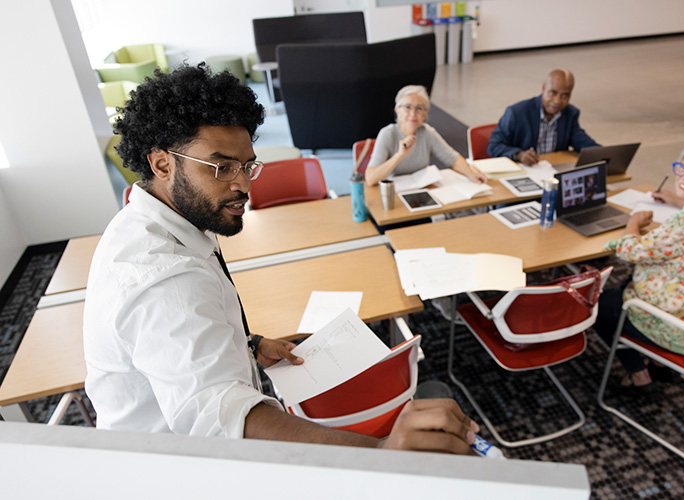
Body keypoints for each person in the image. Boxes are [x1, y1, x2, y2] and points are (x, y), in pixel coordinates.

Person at [83, 64, 479, 453]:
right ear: (162, 163)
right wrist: (378, 452)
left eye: (247, 166)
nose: (242, 185)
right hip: (181, 468)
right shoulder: (162, 277)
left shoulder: (164, 218)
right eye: (221, 167)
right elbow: (222, 421)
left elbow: (181, 343)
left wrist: (248, 345)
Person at [594, 131, 684, 390]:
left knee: (597, 303)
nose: (683, 178)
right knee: (624, 287)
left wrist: (634, 222)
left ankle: (639, 375)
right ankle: (662, 366)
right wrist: (679, 200)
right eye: (681, 169)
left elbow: (629, 250)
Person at [365, 85, 487, 187]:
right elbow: (370, 178)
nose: (413, 114)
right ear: (398, 110)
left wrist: (472, 174)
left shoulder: (427, 132)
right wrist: (399, 156)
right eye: (407, 107)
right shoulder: (388, 134)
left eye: (419, 109)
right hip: (393, 194)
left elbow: (452, 158)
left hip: (422, 191)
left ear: (425, 114)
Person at [487, 68, 599, 166]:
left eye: (565, 95)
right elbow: (494, 146)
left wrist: (606, 154)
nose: (557, 101)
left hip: (552, 172)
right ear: (544, 88)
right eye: (553, 93)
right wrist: (519, 155)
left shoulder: (570, 114)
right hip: (523, 170)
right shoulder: (517, 113)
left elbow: (584, 143)